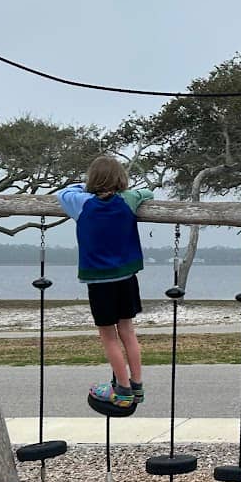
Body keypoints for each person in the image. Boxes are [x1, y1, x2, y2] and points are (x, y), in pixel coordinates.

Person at [58, 156, 155, 413]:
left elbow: (64, 192)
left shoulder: (82, 203)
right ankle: (137, 384)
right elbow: (147, 192)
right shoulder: (128, 199)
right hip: (126, 276)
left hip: (98, 280)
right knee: (128, 330)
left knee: (108, 335)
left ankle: (121, 389)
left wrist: (84, 185)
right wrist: (127, 190)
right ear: (121, 179)